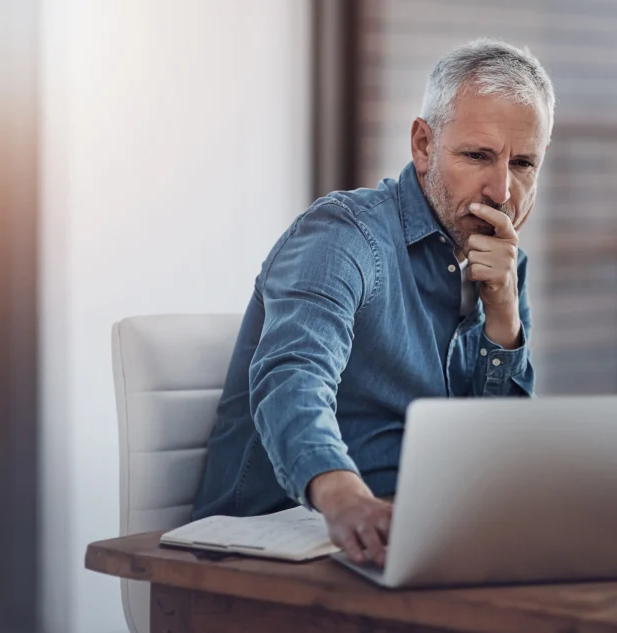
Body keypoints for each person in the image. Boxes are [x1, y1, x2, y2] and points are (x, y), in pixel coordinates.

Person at [192, 39, 555, 568]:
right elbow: (293, 376)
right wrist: (344, 498)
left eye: (523, 163)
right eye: (477, 155)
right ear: (424, 145)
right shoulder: (344, 234)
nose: (501, 189)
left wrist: (503, 321)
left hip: (418, 542)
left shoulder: (502, 265)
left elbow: (495, 462)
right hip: (281, 548)